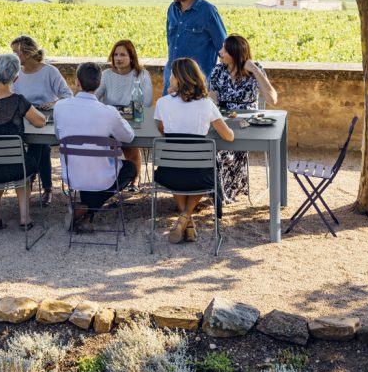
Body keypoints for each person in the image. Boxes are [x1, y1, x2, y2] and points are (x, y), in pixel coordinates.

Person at [154, 57, 234, 244]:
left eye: (172, 74)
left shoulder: (163, 103)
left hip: (170, 173)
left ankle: (186, 220)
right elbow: (228, 136)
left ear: (179, 78)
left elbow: (162, 129)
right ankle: (186, 217)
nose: (170, 77)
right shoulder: (206, 104)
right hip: (200, 174)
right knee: (204, 169)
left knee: (178, 164)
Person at [54, 62, 136, 231]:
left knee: (86, 165)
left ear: (77, 82)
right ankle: (86, 209)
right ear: (99, 84)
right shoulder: (109, 112)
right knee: (130, 168)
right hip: (101, 178)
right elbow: (128, 137)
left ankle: (85, 211)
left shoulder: (60, 107)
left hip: (73, 176)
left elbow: (58, 135)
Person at [0, 52, 47, 230]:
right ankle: (24, 217)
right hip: (16, 169)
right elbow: (40, 122)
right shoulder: (19, 101)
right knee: (30, 153)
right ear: (16, 77)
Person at [209, 35, 278, 202]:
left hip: (247, 123)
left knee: (227, 151)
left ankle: (222, 192)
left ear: (235, 54)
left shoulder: (256, 69)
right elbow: (211, 99)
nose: (220, 52)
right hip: (223, 119)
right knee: (212, 145)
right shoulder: (218, 70)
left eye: (224, 50)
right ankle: (217, 191)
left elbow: (272, 99)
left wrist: (255, 70)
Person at [10, 35, 72, 206]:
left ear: (28, 53)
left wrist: (54, 102)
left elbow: (68, 95)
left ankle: (34, 180)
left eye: (16, 52)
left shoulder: (50, 71)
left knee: (41, 144)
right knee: (33, 145)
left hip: (46, 118)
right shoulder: (16, 74)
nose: (13, 56)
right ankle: (42, 183)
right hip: (24, 117)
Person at [95, 39, 153, 189]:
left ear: (131, 57)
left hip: (134, 120)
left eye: (123, 55)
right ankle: (106, 180)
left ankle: (135, 180)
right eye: (115, 55)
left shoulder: (142, 74)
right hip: (110, 121)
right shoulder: (106, 75)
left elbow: (146, 102)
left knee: (130, 147)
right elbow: (94, 96)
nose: (118, 58)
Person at [163, 0, 227, 93]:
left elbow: (223, 49)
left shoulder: (208, 12)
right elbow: (170, 43)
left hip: (196, 86)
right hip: (170, 83)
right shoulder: (172, 9)